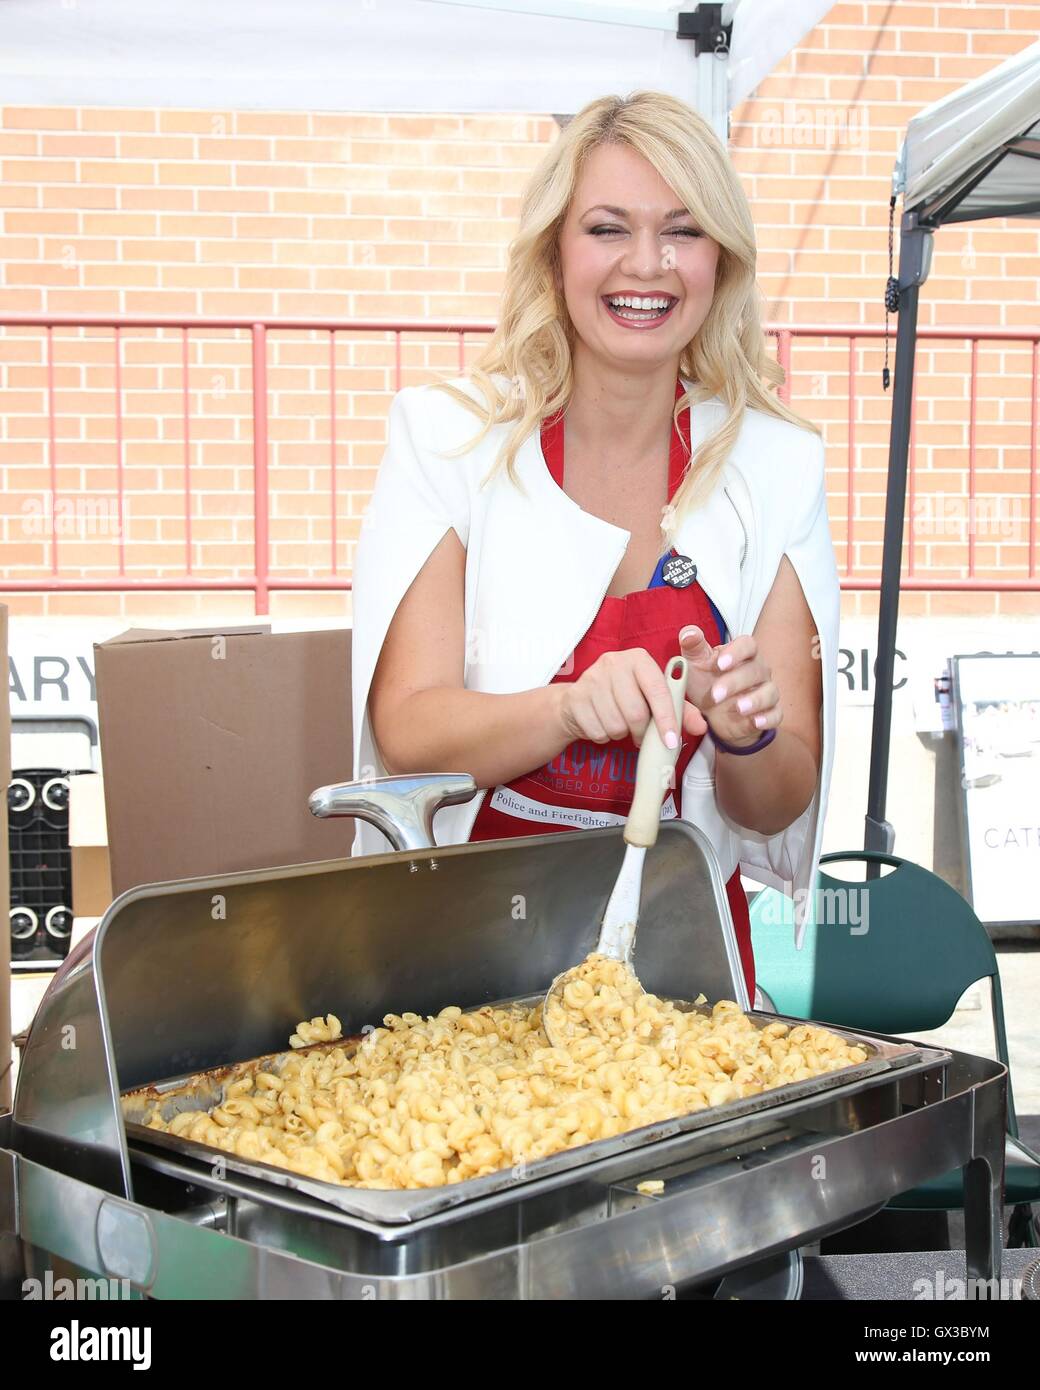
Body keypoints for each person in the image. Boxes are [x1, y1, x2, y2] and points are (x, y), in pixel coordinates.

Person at [350, 91, 840, 1004]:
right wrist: (569, 708)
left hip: (688, 973)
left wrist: (746, 734)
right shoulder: (450, 441)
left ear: (720, 260)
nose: (646, 265)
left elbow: (777, 800)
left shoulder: (776, 466)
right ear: (555, 253)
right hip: (469, 961)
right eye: (608, 228)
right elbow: (409, 732)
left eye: (683, 231)